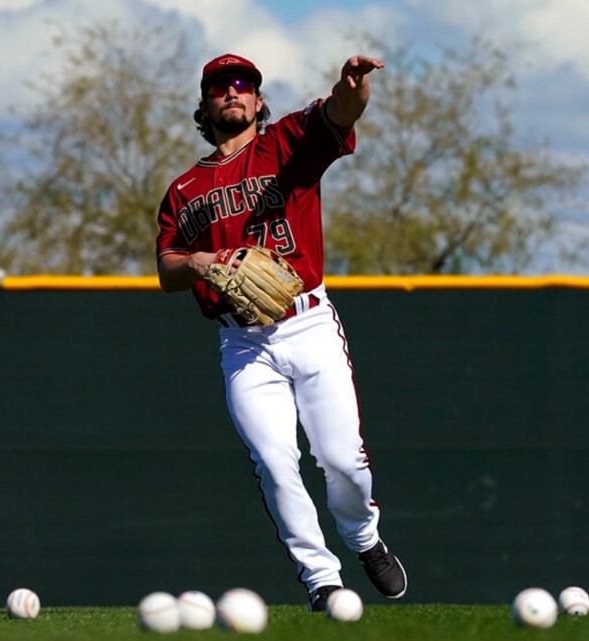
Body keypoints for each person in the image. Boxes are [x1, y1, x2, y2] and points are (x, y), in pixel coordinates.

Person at [153, 52, 407, 612]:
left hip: (308, 322)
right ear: (205, 104)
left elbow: (343, 113)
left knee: (341, 460)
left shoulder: (287, 142)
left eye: (243, 84)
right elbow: (167, 266)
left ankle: (364, 537)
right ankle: (321, 579)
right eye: (220, 87)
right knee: (273, 460)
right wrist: (196, 264)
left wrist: (354, 88)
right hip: (242, 344)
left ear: (259, 100)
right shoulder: (184, 190)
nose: (233, 93)